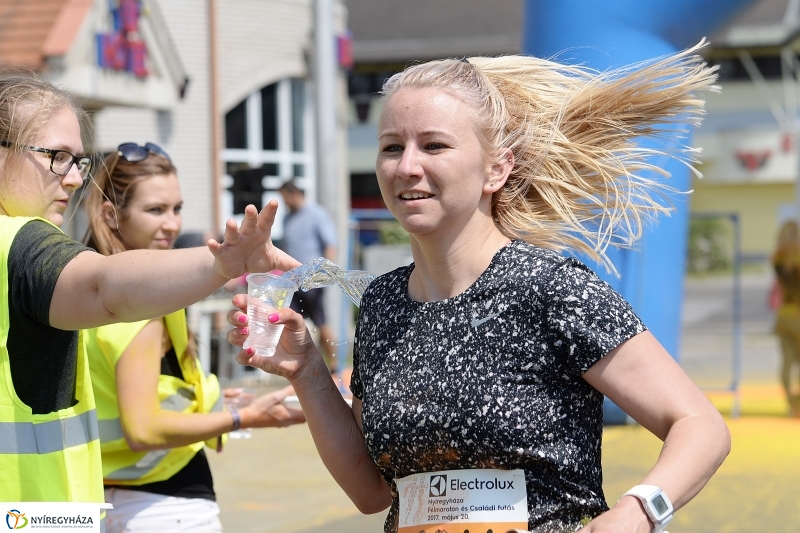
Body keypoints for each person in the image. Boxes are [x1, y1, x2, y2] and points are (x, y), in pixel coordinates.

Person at [227, 43, 731, 533]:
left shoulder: (549, 288)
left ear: (497, 168)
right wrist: (305, 368)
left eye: (434, 145)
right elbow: (372, 493)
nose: (407, 166)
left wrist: (641, 509)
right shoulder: (383, 303)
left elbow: (700, 426)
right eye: (391, 147)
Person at [0, 75, 297, 510]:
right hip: (36, 513)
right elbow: (104, 288)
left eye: (78, 162)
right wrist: (223, 263)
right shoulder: (19, 243)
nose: (71, 179)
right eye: (56, 157)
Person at [81, 144, 306, 532]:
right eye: (155, 210)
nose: (171, 224)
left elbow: (114, 395)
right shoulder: (139, 307)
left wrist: (207, 400)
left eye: (177, 208)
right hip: (163, 504)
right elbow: (143, 429)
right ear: (110, 214)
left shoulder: (78, 291)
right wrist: (244, 417)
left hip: (100, 499)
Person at [277, 179, 338, 372]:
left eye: (285, 197)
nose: (283, 202)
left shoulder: (316, 214)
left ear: (294, 194)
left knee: (321, 321)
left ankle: (335, 365)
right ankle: (299, 362)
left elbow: (330, 244)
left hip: (313, 280)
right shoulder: (287, 218)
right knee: (292, 319)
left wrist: (325, 274)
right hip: (293, 281)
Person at [771, 220, 800, 416]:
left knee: (787, 362)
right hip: (797, 315)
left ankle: (792, 404)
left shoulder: (777, 257)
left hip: (783, 316)